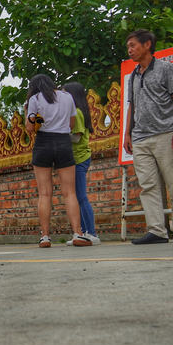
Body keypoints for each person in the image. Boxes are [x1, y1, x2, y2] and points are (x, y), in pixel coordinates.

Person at [124, 29, 173, 244]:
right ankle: (157, 231)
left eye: (133, 45)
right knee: (148, 186)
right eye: (128, 47)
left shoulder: (166, 68)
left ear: (147, 45)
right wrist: (127, 133)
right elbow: (131, 106)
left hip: (165, 134)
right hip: (140, 138)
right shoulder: (133, 75)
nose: (130, 50)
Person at [24, 74, 91, 248]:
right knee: (69, 192)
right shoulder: (67, 97)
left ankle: (45, 237)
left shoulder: (35, 99)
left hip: (43, 142)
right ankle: (77, 233)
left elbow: (31, 128)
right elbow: (70, 125)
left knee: (45, 193)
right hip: (63, 142)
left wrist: (37, 117)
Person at [63, 82, 101, 246]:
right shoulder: (77, 112)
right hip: (76, 158)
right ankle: (84, 233)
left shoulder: (77, 113)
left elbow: (76, 137)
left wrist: (59, 133)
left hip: (79, 158)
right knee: (78, 197)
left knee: (81, 197)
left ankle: (91, 233)